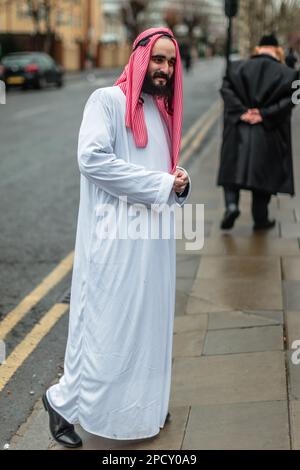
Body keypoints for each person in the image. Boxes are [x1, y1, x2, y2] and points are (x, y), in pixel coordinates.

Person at [43, 27, 191, 448]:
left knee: (148, 328)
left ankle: (142, 408)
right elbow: (91, 160)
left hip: (153, 245)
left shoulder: (161, 115)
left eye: (170, 62)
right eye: (158, 59)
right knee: (105, 328)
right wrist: (161, 185)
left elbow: (165, 177)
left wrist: (180, 182)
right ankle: (62, 402)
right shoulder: (105, 102)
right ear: (140, 57)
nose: (164, 68)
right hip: (113, 245)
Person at [217, 34, 299, 231]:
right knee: (263, 178)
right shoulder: (289, 74)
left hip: (238, 128)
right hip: (268, 132)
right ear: (277, 50)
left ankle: (232, 206)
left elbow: (225, 90)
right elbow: (294, 99)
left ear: (257, 49)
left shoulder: (235, 67)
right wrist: (264, 114)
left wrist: (242, 111)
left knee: (231, 171)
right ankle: (260, 220)